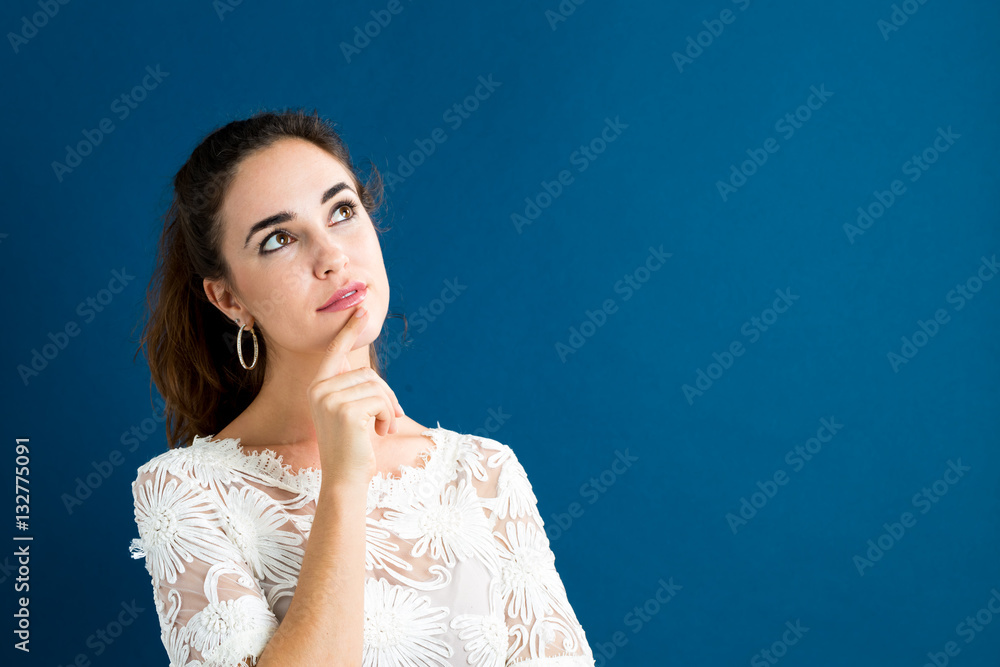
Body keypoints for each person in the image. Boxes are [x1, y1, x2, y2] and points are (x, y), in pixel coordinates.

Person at [126, 109, 595, 667]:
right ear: (228, 299)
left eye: (342, 211)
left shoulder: (484, 473)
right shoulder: (188, 492)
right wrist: (344, 482)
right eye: (279, 239)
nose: (332, 257)